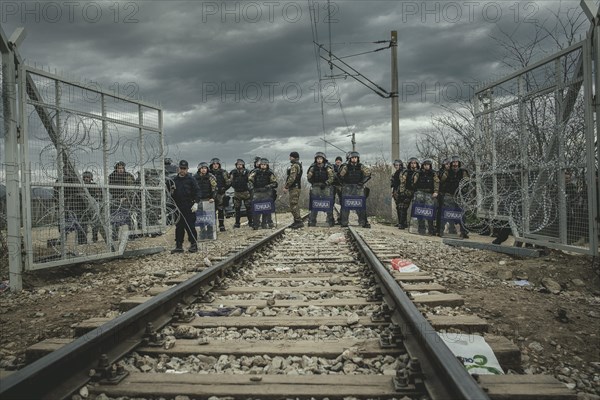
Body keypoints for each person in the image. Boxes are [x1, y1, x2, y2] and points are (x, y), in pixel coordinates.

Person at [168, 160, 201, 253]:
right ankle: (179, 246)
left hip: (189, 206)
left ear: (187, 169)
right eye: (181, 168)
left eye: (184, 169)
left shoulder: (191, 179)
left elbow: (198, 192)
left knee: (190, 226)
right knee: (179, 227)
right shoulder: (174, 180)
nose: (183, 170)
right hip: (178, 207)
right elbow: (169, 192)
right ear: (178, 169)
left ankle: (194, 244)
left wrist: (196, 203)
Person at [55, 167, 88, 245]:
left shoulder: (77, 180)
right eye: (65, 170)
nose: (67, 171)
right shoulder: (60, 180)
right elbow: (56, 193)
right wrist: (58, 203)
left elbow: (82, 193)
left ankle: (82, 241)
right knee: (64, 223)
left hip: (77, 205)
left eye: (68, 170)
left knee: (81, 224)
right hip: (66, 205)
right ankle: (64, 239)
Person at [338, 151, 371, 228]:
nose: (354, 159)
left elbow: (368, 174)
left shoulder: (361, 166)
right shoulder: (346, 167)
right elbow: (340, 176)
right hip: (348, 189)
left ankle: (363, 222)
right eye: (352, 158)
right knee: (346, 206)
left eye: (355, 158)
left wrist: (362, 182)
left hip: (358, 188)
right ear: (349, 159)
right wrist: (344, 183)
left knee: (360, 205)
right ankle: (344, 222)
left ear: (358, 158)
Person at [439, 156, 470, 238]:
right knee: (448, 213)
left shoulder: (463, 172)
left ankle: (463, 232)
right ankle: (446, 230)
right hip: (449, 195)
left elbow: (467, 183)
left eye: (457, 162)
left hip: (460, 196)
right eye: (454, 162)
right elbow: (441, 181)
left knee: (461, 214)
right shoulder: (447, 172)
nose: (455, 164)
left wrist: (464, 192)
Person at [108, 161, 135, 242]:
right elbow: (110, 188)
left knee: (129, 218)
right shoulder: (112, 176)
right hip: (116, 199)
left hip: (126, 200)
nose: (120, 170)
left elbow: (131, 188)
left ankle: (132, 235)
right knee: (115, 218)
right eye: (119, 168)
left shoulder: (128, 176)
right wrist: (117, 198)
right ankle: (115, 236)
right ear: (116, 168)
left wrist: (126, 197)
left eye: (122, 168)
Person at [306, 152, 335, 227]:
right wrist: (312, 182)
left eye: (320, 159)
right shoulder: (313, 167)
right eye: (318, 159)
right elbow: (309, 177)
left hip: (325, 187)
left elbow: (331, 177)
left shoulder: (327, 167)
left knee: (328, 204)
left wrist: (326, 183)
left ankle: (330, 220)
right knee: (314, 204)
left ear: (323, 159)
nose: (319, 160)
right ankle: (312, 221)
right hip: (316, 187)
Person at [248, 158, 277, 229]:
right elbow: (249, 180)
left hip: (266, 192)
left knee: (266, 209)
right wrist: (251, 187)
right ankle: (256, 224)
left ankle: (265, 223)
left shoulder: (270, 173)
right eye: (262, 164)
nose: (263, 166)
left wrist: (269, 186)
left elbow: (275, 183)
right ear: (260, 165)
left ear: (267, 165)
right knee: (256, 209)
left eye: (265, 164)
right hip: (257, 192)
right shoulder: (255, 172)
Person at [412, 159, 439, 235]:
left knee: (429, 211)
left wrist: (436, 192)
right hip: (420, 192)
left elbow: (436, 183)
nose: (427, 166)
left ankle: (431, 229)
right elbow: (414, 182)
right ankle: (421, 228)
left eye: (428, 165)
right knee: (419, 211)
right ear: (423, 165)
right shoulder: (418, 173)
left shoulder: (433, 173)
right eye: (425, 165)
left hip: (429, 193)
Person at [194, 162, 218, 239]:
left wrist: (213, 198)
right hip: (199, 200)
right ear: (199, 169)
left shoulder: (211, 177)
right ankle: (203, 233)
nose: (204, 170)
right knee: (200, 218)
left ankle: (210, 234)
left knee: (209, 218)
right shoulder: (195, 177)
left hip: (208, 200)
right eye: (202, 168)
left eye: (205, 168)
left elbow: (215, 188)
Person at [208, 157, 231, 232]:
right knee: (211, 211)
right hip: (211, 195)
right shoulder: (209, 173)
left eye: (216, 164)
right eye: (214, 164)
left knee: (221, 210)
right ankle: (211, 228)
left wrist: (224, 188)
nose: (215, 165)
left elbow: (229, 182)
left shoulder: (223, 172)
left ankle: (221, 226)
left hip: (221, 194)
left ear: (219, 165)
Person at [397, 157, 420, 229]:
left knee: (418, 209)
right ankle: (402, 223)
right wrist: (402, 192)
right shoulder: (406, 172)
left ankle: (419, 225)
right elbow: (402, 183)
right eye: (412, 163)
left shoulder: (420, 172)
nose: (413, 165)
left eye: (414, 163)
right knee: (403, 207)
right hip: (408, 191)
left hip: (417, 192)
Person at [81, 170, 104, 243]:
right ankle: (83, 241)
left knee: (95, 224)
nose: (86, 179)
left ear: (91, 178)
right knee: (83, 225)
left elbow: (100, 196)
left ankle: (95, 238)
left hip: (93, 208)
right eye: (85, 177)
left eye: (88, 177)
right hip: (83, 208)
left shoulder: (94, 186)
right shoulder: (80, 187)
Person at [229, 159, 252, 228]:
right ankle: (237, 223)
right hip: (237, 192)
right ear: (236, 165)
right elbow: (230, 181)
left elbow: (250, 180)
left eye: (241, 164)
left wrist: (249, 189)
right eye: (238, 164)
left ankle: (251, 222)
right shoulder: (233, 172)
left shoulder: (247, 172)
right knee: (237, 209)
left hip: (245, 192)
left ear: (243, 165)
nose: (239, 166)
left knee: (248, 208)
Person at [284, 151, 303, 229]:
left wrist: (286, 186)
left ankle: (298, 221)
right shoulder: (298, 165)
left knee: (293, 204)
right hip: (296, 187)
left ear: (294, 157)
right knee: (294, 204)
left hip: (294, 188)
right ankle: (296, 221)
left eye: (290, 157)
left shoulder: (295, 166)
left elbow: (292, 178)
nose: (289, 158)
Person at [390, 159, 404, 228]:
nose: (396, 166)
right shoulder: (395, 173)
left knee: (402, 207)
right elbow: (393, 183)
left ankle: (402, 223)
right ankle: (400, 222)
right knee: (398, 207)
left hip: (401, 191)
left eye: (398, 165)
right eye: (395, 165)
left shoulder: (402, 172)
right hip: (395, 191)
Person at [332, 156, 344, 224]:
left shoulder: (343, 167)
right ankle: (331, 218)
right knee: (331, 201)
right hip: (333, 186)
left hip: (341, 186)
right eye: (337, 160)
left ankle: (341, 218)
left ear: (341, 161)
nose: (338, 161)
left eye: (339, 160)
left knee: (342, 202)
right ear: (335, 161)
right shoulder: (332, 167)